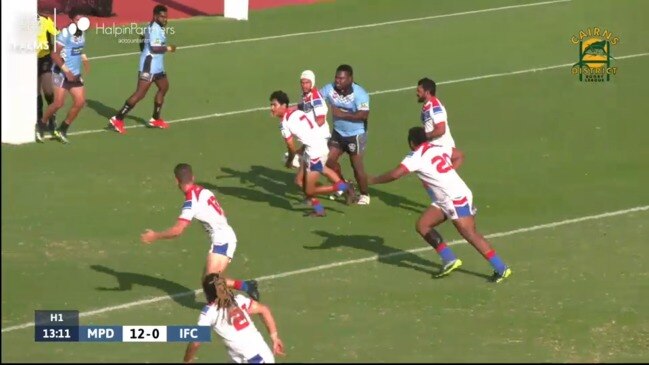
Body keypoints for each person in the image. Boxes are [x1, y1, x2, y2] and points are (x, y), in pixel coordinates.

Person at [368, 127, 512, 282]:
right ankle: (449, 259)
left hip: (454, 198)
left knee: (470, 234)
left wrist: (374, 180)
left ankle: (501, 268)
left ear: (411, 143)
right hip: (446, 198)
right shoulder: (437, 148)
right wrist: (447, 173)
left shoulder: (415, 156)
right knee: (423, 225)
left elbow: (396, 174)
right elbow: (459, 155)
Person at [139, 163, 260, 299]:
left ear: (176, 180)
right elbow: (222, 212)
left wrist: (155, 236)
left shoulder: (191, 203)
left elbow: (177, 230)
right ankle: (245, 287)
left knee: (211, 282)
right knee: (208, 281)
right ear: (193, 177)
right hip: (224, 237)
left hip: (222, 241)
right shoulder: (204, 191)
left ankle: (233, 309)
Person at [270, 90, 349, 217]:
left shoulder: (284, 124)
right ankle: (319, 209)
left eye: (274, 105)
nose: (272, 108)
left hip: (314, 153)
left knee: (309, 190)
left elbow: (291, 147)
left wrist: (290, 160)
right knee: (299, 181)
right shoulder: (297, 112)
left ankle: (343, 187)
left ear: (284, 105)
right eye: (271, 105)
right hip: (317, 147)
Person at [183, 273, 285, 363]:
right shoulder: (239, 300)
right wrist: (274, 337)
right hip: (259, 355)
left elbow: (196, 341)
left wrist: (188, 360)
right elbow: (264, 310)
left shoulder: (210, 312)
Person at [108, 5, 176, 134]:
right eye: (162, 17)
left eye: (166, 17)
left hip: (158, 66)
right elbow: (155, 48)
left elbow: (142, 39)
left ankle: (155, 118)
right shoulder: (155, 29)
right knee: (140, 94)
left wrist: (143, 50)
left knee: (164, 87)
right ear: (155, 16)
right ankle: (117, 118)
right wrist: (169, 48)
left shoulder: (155, 27)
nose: (165, 19)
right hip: (149, 66)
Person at [295, 70, 355, 204]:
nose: (304, 85)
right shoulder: (307, 96)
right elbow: (302, 106)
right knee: (315, 172)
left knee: (304, 178)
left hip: (318, 141)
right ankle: (321, 198)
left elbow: (321, 120)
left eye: (307, 82)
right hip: (311, 141)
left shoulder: (315, 98)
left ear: (312, 82)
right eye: (302, 82)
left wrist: (307, 134)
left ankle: (338, 190)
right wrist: (288, 110)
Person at [320, 64, 371, 205]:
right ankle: (344, 186)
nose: (337, 81)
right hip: (338, 133)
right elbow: (317, 98)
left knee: (357, 167)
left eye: (341, 78)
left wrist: (342, 114)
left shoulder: (360, 93)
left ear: (350, 79)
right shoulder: (330, 89)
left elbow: (363, 115)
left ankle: (365, 194)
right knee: (327, 161)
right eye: (336, 77)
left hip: (355, 135)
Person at [37, 8, 89, 144]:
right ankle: (41, 125)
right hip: (61, 73)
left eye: (82, 18)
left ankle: (62, 129)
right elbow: (54, 54)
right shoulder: (65, 33)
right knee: (58, 103)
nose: (80, 21)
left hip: (75, 74)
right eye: (77, 19)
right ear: (72, 20)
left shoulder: (82, 32)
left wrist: (83, 57)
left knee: (80, 102)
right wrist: (66, 71)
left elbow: (75, 49)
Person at [416, 77, 465, 199]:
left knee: (440, 181)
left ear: (427, 92)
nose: (417, 93)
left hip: (442, 147)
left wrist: (424, 136)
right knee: (427, 178)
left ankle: (450, 203)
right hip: (433, 147)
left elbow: (440, 129)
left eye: (419, 91)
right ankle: (441, 203)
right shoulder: (427, 106)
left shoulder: (435, 106)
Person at [36, 5, 59, 136]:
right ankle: (39, 121)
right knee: (35, 92)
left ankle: (52, 116)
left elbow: (58, 34)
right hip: (28, 60)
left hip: (44, 58)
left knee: (48, 91)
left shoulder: (45, 20)